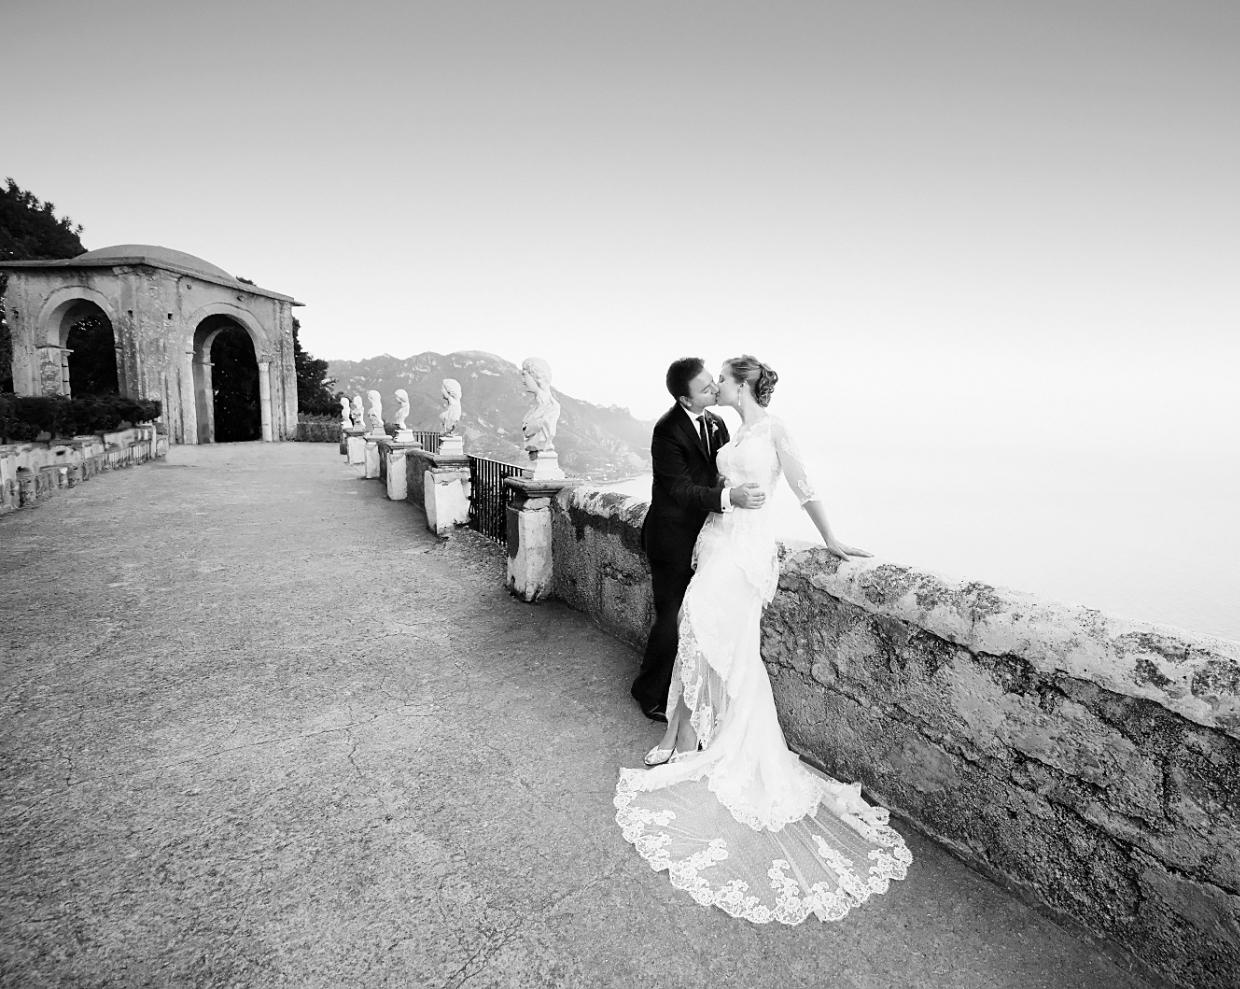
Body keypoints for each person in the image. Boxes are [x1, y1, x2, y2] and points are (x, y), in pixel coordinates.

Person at [616, 355, 911, 924]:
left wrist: (831, 538)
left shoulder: (770, 429)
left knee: (708, 633)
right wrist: (726, 503)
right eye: (711, 382)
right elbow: (693, 484)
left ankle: (688, 738)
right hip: (716, 541)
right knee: (695, 630)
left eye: (722, 379)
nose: (716, 386)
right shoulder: (725, 429)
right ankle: (684, 733)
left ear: (744, 384)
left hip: (745, 552)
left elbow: (802, 487)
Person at [631, 358, 765, 722]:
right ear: (685, 400)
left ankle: (693, 693)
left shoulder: (717, 422)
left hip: (708, 539)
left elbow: (717, 473)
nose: (713, 389)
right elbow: (679, 489)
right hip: (670, 538)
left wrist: (728, 487)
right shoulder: (667, 430)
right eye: (705, 388)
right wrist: (728, 499)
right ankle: (648, 692)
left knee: (696, 618)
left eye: (712, 383)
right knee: (671, 616)